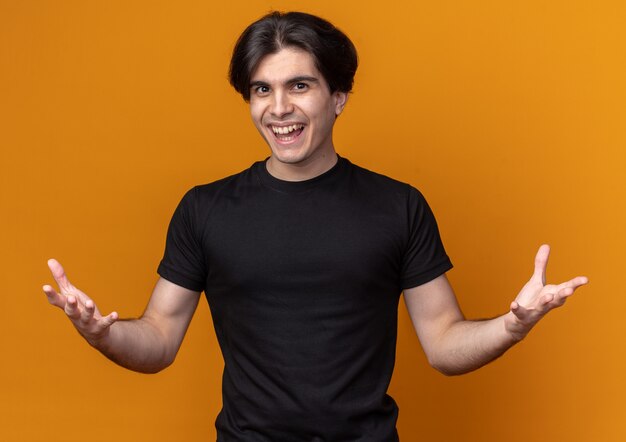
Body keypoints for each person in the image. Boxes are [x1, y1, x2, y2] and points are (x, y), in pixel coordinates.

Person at [43, 11, 588, 441]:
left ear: (338, 97)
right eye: (261, 90)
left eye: (299, 86)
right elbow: (159, 340)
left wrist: (514, 325)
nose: (278, 108)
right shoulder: (204, 209)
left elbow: (444, 343)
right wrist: (101, 333)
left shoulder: (398, 206)